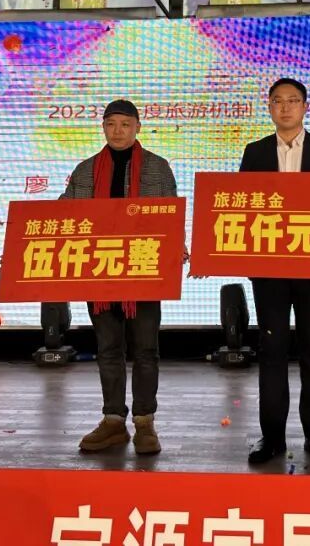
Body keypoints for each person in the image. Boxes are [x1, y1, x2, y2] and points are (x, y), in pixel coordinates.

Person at [60, 99, 178, 455]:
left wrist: (176, 248)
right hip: (99, 272)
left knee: (146, 350)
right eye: (111, 124)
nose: (118, 131)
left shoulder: (157, 168)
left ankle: (144, 422)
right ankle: (113, 420)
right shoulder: (85, 171)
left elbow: (170, 218)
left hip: (143, 270)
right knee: (108, 349)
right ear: (103, 128)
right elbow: (62, 217)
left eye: (125, 124)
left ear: (138, 127)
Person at [240, 78, 310, 467]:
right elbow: (240, 210)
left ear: (305, 107)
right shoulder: (254, 152)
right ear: (269, 107)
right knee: (271, 351)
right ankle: (271, 437)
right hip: (268, 272)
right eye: (278, 101)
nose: (285, 107)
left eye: (293, 100)